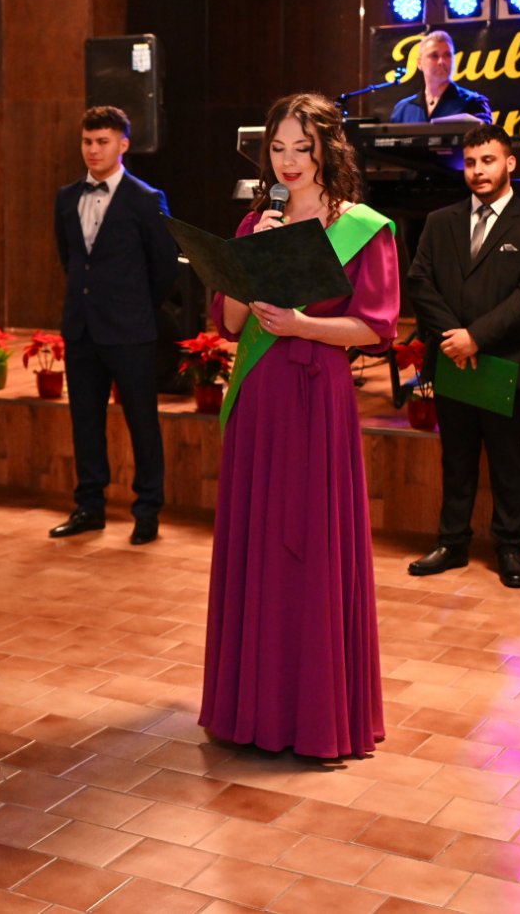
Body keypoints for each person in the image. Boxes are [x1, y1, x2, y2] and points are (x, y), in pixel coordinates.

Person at [199, 92, 399, 758]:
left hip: (318, 398)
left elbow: (374, 329)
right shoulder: (257, 219)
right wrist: (247, 257)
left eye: (302, 148)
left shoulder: (364, 227)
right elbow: (231, 324)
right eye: (278, 148)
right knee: (257, 541)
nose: (289, 161)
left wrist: (304, 325)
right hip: (260, 398)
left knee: (312, 543)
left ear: (327, 151)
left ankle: (317, 716)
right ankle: (251, 710)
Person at [406, 122, 520, 588]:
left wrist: (476, 337)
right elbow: (419, 282)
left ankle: (510, 547)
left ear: (509, 163)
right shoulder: (440, 221)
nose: (477, 170)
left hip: (505, 362)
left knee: (508, 461)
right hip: (452, 357)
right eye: (470, 162)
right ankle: (452, 542)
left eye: (488, 160)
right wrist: (455, 338)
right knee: (456, 457)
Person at [49, 106, 178, 545]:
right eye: (87, 141)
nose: (93, 149)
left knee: (142, 422)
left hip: (130, 331)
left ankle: (147, 511)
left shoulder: (146, 198)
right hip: (81, 329)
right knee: (85, 422)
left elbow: (164, 267)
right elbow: (69, 259)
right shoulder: (66, 197)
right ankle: (89, 507)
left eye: (102, 141)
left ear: (123, 144)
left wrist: (134, 307)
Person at [389, 31, 494, 124]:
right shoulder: (403, 109)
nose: (441, 61)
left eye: (447, 55)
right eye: (434, 56)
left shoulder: (473, 103)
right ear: (419, 63)